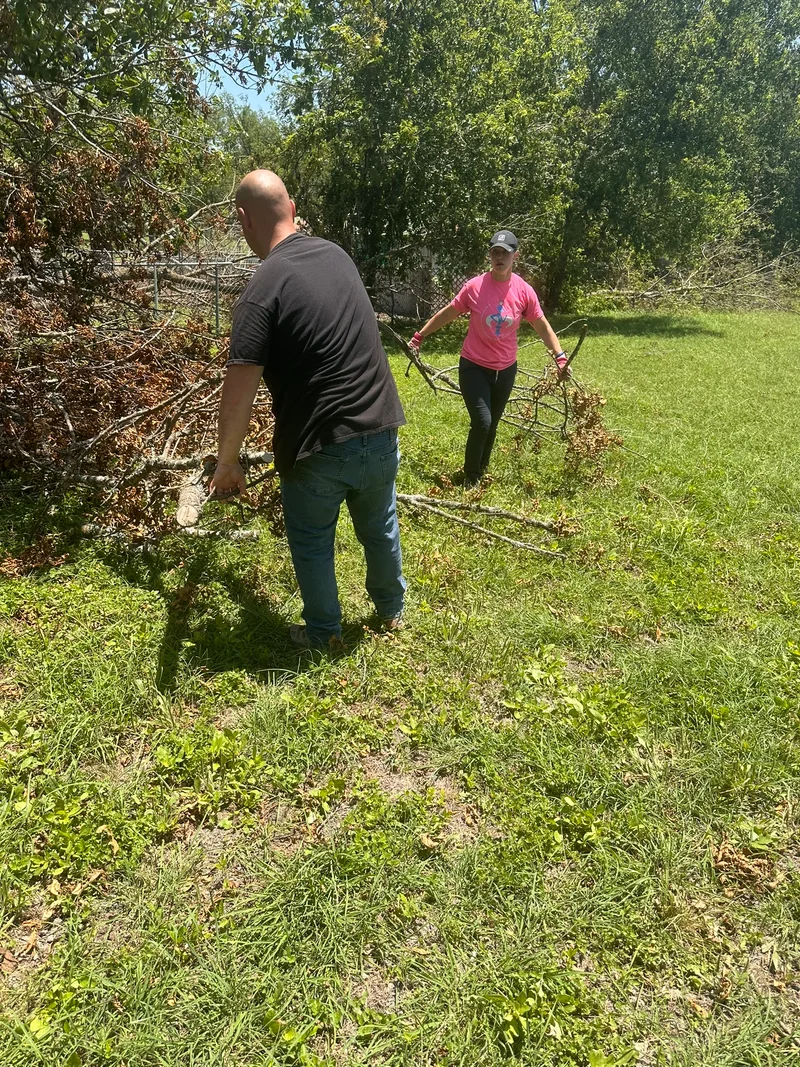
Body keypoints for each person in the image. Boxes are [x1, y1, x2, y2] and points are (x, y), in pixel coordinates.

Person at [209, 170, 406, 650]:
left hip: (318, 446)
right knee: (379, 525)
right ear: (292, 207)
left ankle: (323, 632)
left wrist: (227, 461)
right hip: (381, 428)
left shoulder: (262, 287)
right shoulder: (338, 255)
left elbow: (240, 385)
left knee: (313, 540)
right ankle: (391, 609)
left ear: (243, 220)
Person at [408, 231, 568, 487]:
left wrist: (560, 356)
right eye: (495, 251)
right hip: (473, 366)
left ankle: (482, 468)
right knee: (482, 422)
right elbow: (448, 313)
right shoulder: (474, 287)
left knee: (492, 424)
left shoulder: (524, 291)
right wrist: (419, 336)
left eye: (505, 252)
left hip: (505, 370)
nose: (499, 257)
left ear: (516, 255)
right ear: (490, 255)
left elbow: (542, 326)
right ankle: (471, 476)